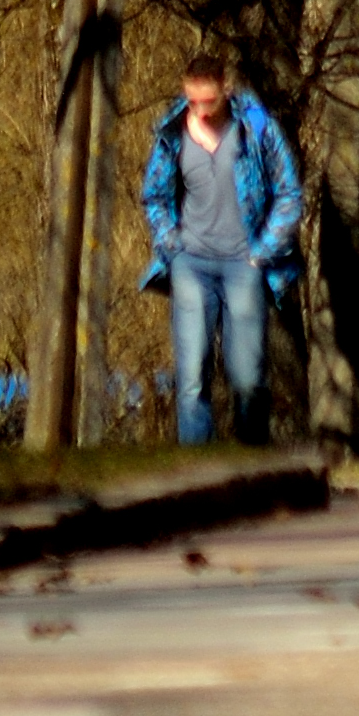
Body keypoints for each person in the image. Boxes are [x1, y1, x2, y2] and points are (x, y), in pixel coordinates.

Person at [136, 51, 302, 447]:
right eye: (193, 101)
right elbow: (154, 195)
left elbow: (289, 194)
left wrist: (262, 252)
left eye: (208, 102)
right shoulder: (171, 132)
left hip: (245, 264)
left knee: (247, 378)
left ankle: (251, 465)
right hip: (190, 264)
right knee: (192, 377)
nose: (201, 111)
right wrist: (171, 244)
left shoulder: (257, 127)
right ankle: (194, 473)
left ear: (227, 89)